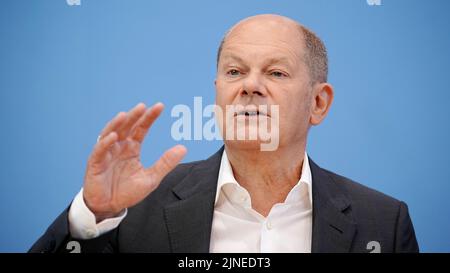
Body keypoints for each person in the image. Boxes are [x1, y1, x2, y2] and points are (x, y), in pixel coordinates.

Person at [29, 14, 419, 253]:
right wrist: (93, 215)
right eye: (234, 71)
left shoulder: (383, 223)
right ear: (217, 90)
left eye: (276, 73)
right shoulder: (133, 209)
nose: (250, 86)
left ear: (318, 103)